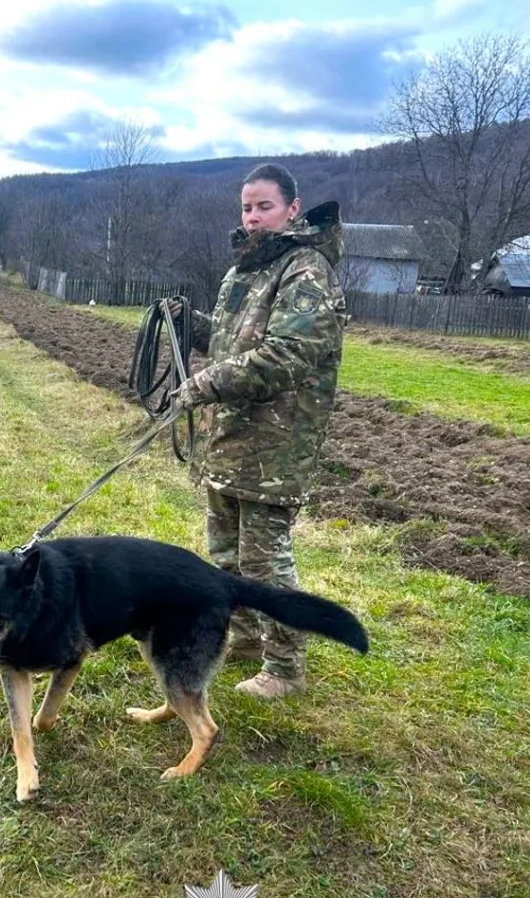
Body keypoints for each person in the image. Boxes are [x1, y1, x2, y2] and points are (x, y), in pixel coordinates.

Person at [169, 163, 347, 700]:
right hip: (231, 438)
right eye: (246, 207)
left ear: (293, 208)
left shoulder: (306, 271)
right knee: (224, 554)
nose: (252, 216)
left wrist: (205, 383)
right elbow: (232, 343)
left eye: (264, 206)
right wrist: (188, 322)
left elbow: (287, 355)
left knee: (265, 563)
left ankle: (285, 669)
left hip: (275, 443)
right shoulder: (247, 269)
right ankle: (243, 637)